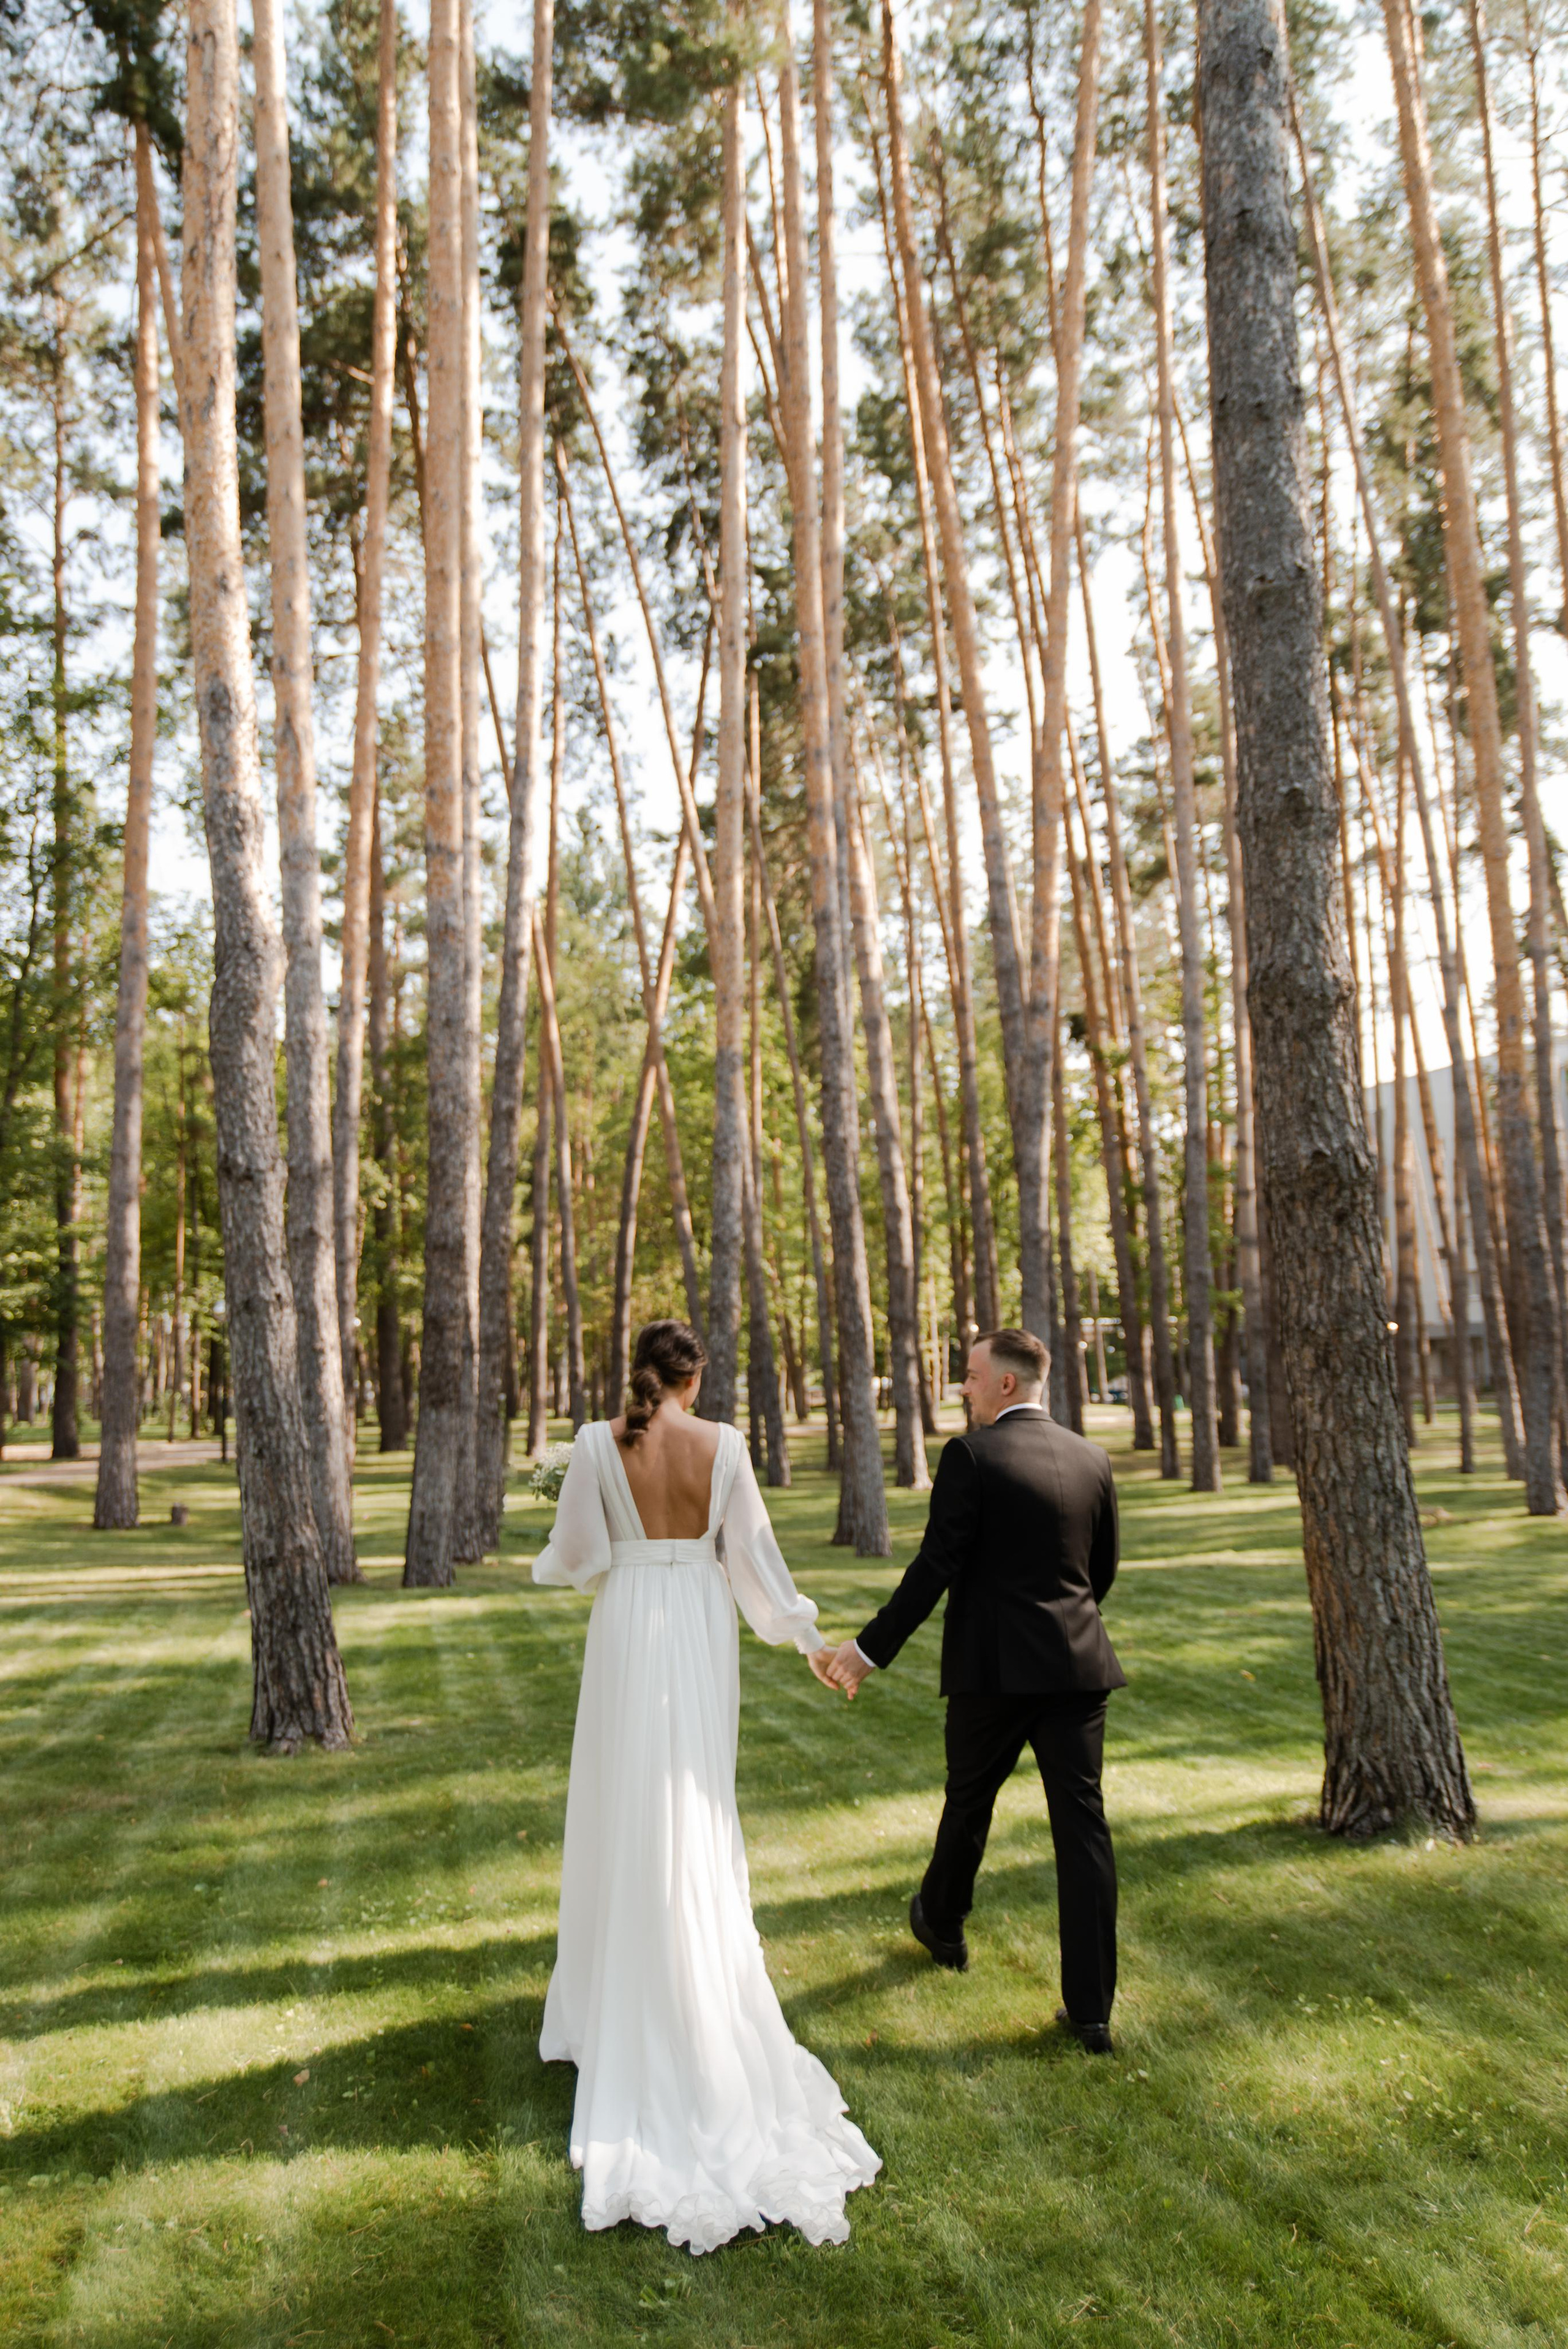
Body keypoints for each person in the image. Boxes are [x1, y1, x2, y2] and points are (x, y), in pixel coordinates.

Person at [533, 1317, 880, 2253]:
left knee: (623, 1804)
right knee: (691, 1801)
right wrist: (806, 1638)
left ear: (637, 1373)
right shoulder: (725, 1445)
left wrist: (588, 1537)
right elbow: (758, 1567)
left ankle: (619, 1995)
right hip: (696, 1627)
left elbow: (578, 1559)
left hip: (630, 1622)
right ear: (697, 1376)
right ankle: (690, 1980)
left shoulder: (599, 1445)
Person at [825, 1328, 1125, 2054]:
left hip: (992, 1673)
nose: (961, 1387)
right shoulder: (1092, 1459)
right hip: (1077, 1669)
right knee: (1083, 1833)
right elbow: (1101, 1571)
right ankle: (1090, 2014)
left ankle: (941, 1921)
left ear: (1007, 1385)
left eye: (969, 1375)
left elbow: (934, 1568)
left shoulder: (970, 1456)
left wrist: (867, 1651)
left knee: (969, 1803)